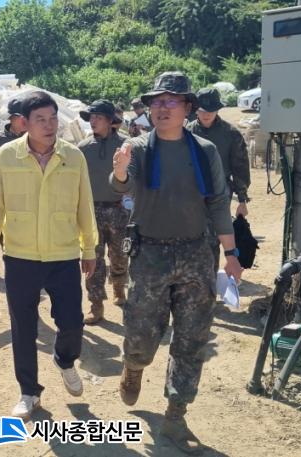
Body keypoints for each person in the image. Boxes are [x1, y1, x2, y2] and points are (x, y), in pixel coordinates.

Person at [110, 72, 242, 453]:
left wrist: (231, 254)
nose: (162, 108)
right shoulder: (138, 147)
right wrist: (120, 170)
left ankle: (175, 414)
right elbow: (122, 182)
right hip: (150, 254)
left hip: (196, 253)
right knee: (141, 332)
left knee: (192, 337)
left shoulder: (204, 151)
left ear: (188, 108)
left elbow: (218, 203)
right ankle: (134, 367)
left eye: (170, 101)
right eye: (156, 101)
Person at [0, 91, 98, 420]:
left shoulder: (73, 156)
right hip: (21, 256)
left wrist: (89, 247)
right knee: (24, 327)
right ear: (24, 124)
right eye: (40, 120)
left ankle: (64, 359)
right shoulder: (6, 156)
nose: (49, 125)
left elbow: (84, 205)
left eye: (53, 118)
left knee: (72, 322)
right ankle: (29, 392)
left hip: (63, 254)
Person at [77, 100, 129, 325]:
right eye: (91, 117)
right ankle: (95, 305)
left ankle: (119, 286)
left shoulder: (126, 145)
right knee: (92, 259)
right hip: (92, 212)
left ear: (109, 120)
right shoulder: (82, 148)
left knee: (120, 255)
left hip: (120, 211)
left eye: (98, 117)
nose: (93, 121)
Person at [188, 88, 251, 271]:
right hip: (190, 191)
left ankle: (211, 275)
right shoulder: (186, 132)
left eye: (211, 110)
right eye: (202, 110)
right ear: (196, 110)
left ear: (218, 109)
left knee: (214, 235)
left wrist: (242, 199)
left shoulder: (231, 134)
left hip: (219, 191)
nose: (206, 114)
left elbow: (240, 168)